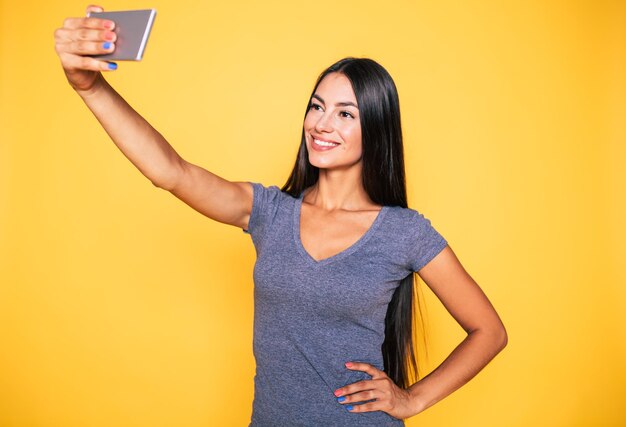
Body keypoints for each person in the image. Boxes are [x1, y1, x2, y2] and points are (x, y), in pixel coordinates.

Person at [54, 5, 508, 425]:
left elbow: (488, 331)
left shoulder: (403, 232)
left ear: (376, 129)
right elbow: (170, 172)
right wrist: (89, 86)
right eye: (316, 106)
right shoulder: (271, 213)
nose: (322, 124)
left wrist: (412, 399)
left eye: (345, 113)